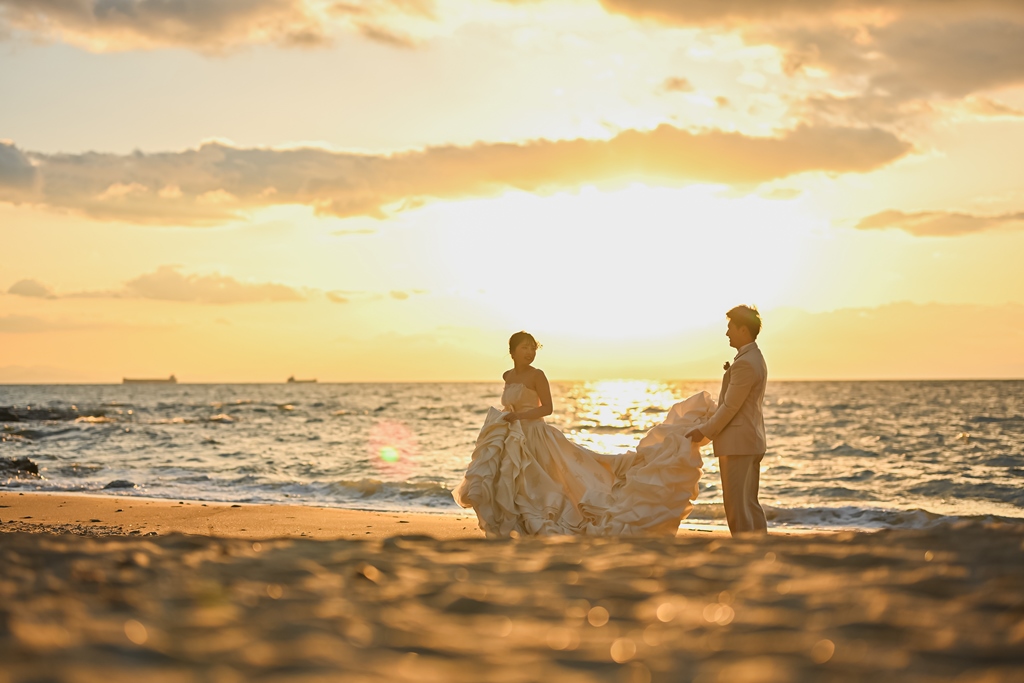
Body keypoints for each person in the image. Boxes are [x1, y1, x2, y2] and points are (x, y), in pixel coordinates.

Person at [453, 331, 713, 538]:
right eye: (525, 347)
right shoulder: (507, 375)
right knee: (516, 482)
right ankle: (519, 524)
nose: (530, 352)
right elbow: (511, 404)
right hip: (514, 436)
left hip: (536, 435)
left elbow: (548, 408)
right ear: (512, 351)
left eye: (533, 347)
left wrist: (518, 416)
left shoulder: (538, 375)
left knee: (547, 483)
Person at [685, 306, 769, 535]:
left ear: (743, 329)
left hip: (738, 444)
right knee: (749, 502)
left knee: (736, 505)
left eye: (730, 328)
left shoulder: (745, 363)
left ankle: (745, 547)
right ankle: (760, 544)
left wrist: (704, 431)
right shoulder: (755, 358)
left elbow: (731, 407)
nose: (727, 333)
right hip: (751, 440)